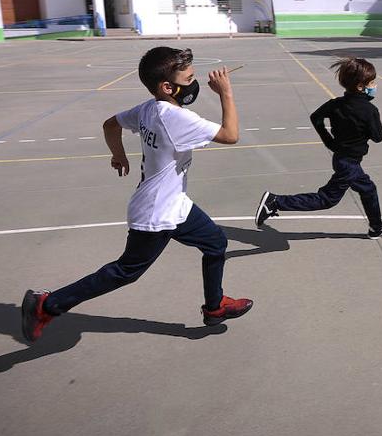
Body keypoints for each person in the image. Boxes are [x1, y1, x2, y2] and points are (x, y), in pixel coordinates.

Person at [20, 47, 252, 344]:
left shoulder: (148, 108)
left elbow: (110, 124)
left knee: (216, 242)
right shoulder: (176, 118)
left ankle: (215, 307)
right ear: (168, 87)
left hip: (175, 204)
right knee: (125, 272)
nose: (194, 83)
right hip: (156, 213)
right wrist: (225, 93)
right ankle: (46, 305)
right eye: (190, 78)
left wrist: (118, 155)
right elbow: (231, 135)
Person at [254, 57, 382, 239]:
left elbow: (316, 117)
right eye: (372, 83)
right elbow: (379, 137)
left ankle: (376, 228)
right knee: (327, 199)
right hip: (348, 164)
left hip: (343, 158)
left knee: (368, 189)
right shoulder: (369, 110)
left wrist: (328, 140)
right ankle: (275, 202)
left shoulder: (335, 104)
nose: (375, 85)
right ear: (361, 86)